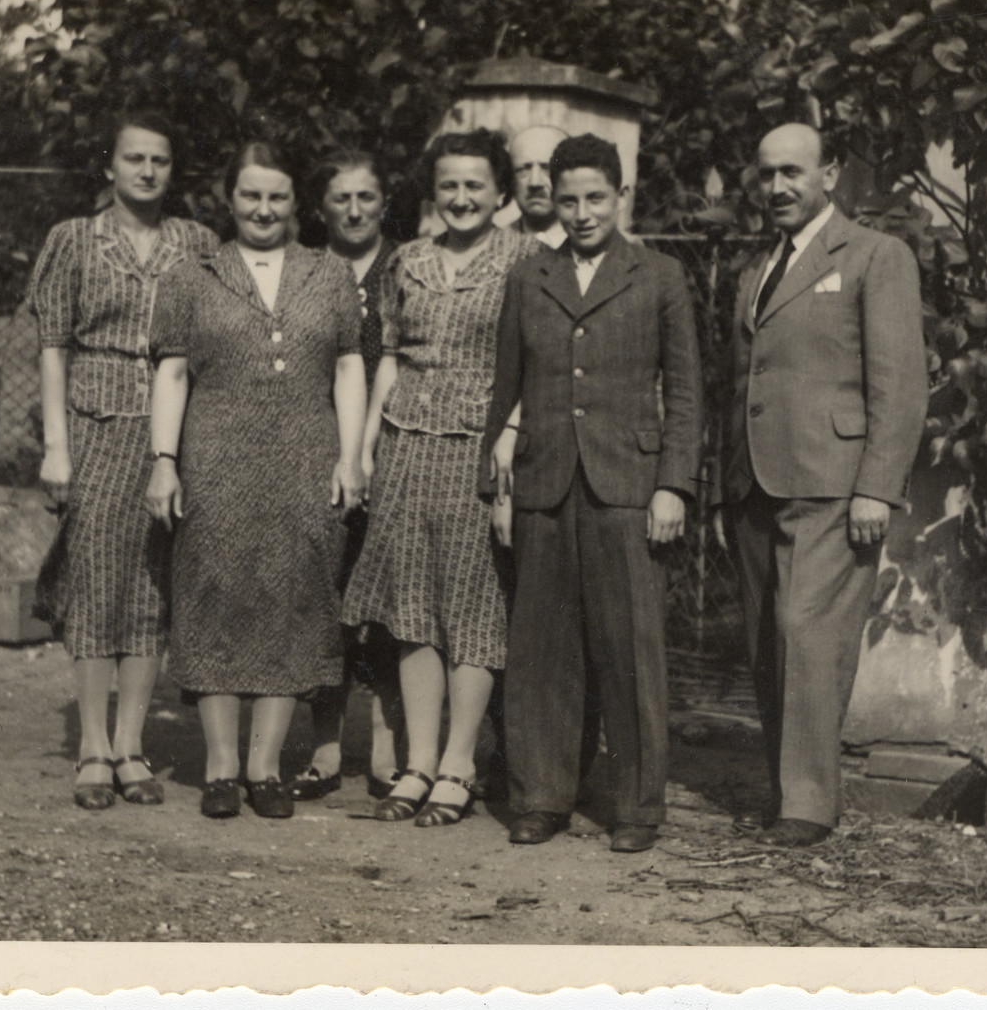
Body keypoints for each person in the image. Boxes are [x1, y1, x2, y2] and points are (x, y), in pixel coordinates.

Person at [708, 122, 927, 848]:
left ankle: (807, 804)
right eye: (766, 174)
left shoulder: (875, 256)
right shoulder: (756, 268)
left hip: (833, 482)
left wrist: (877, 486)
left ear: (830, 175)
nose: (776, 189)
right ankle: (786, 790)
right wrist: (722, 485)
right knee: (771, 642)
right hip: (753, 483)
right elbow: (740, 383)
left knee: (808, 634)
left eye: (793, 173)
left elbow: (899, 383)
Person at [482, 134, 701, 853]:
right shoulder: (529, 275)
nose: (581, 213)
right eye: (569, 199)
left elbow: (688, 392)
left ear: (622, 196)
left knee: (630, 650)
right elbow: (505, 390)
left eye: (595, 198)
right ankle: (541, 796)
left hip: (628, 487)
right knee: (543, 650)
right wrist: (501, 485)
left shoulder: (660, 275)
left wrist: (673, 485)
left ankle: (636, 807)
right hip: (546, 483)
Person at [144, 141, 368, 822]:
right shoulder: (191, 274)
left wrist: (351, 457)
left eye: (276, 197)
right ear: (229, 199)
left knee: (293, 601)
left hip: (307, 459)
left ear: (295, 203)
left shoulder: (327, 276)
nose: (263, 209)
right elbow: (173, 373)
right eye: (250, 196)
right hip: (213, 459)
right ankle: (219, 767)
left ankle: (264, 767)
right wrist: (163, 459)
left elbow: (349, 368)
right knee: (214, 596)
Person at [343, 129, 540, 826]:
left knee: (473, 606)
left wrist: (510, 447)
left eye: (476, 186)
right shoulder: (408, 260)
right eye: (449, 186)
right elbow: (390, 355)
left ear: (501, 193)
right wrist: (365, 449)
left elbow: (532, 366)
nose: (461, 198)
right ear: (435, 192)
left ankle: (460, 763)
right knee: (412, 608)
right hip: (404, 449)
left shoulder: (526, 261)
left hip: (479, 451)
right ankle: (417, 762)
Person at [30, 111, 219, 811]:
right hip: (95, 428)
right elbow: (53, 343)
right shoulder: (74, 240)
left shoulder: (197, 244)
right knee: (95, 583)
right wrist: (56, 446)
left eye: (159, 160)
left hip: (174, 433)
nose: (146, 171)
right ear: (108, 167)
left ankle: (133, 748)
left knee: (151, 589)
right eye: (133, 158)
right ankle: (92, 747)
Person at [289, 150, 405, 803]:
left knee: (386, 606)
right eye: (341, 199)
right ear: (321, 208)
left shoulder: (406, 266)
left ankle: (388, 754)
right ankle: (326, 749)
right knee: (322, 599)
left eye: (367, 198)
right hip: (317, 453)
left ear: (385, 203)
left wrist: (368, 452)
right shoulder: (306, 270)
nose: (355, 211)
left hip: (395, 456)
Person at [502, 125, 569, 250]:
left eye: (547, 168)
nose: (534, 182)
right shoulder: (493, 245)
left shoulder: (592, 245)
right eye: (523, 169)